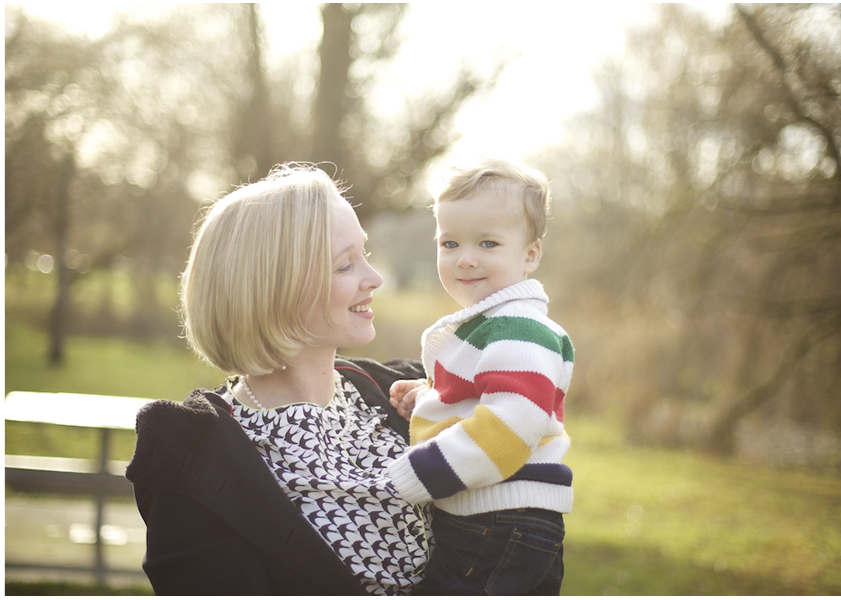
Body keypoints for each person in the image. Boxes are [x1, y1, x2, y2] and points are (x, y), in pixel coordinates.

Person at [126, 164, 432, 595]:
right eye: (346, 265)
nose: (374, 278)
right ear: (275, 288)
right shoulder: (191, 455)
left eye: (364, 253)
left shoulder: (411, 395)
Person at [385, 157, 575, 595]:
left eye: (488, 244)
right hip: (503, 519)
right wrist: (433, 394)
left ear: (530, 255)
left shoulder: (519, 327)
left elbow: (513, 422)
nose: (465, 259)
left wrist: (417, 474)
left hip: (500, 518)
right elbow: (488, 395)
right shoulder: (492, 323)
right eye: (450, 244)